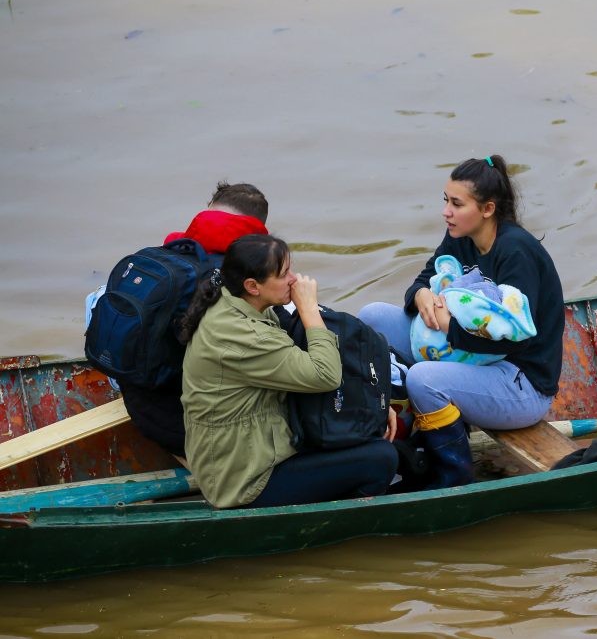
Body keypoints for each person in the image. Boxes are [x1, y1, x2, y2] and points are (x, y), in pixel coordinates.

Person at [358, 155, 565, 488]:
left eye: (456, 203)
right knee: (372, 318)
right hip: (469, 355)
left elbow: (518, 339)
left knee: (424, 380)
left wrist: (448, 326)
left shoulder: (515, 252)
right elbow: (424, 278)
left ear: (487, 209)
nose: (446, 212)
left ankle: (453, 476)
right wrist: (422, 296)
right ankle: (404, 428)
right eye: (445, 201)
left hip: (520, 381)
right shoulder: (460, 235)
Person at [178, 234, 399, 508]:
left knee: (388, 435)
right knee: (381, 458)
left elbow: (301, 366)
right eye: (284, 274)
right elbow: (325, 375)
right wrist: (308, 311)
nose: (294, 279)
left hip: (264, 446)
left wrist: (371, 404)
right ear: (253, 285)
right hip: (244, 480)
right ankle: (335, 527)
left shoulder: (243, 303)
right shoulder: (243, 335)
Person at [108, 181, 271, 459]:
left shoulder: (162, 254)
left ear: (207, 211)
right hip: (194, 434)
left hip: (141, 409)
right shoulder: (249, 281)